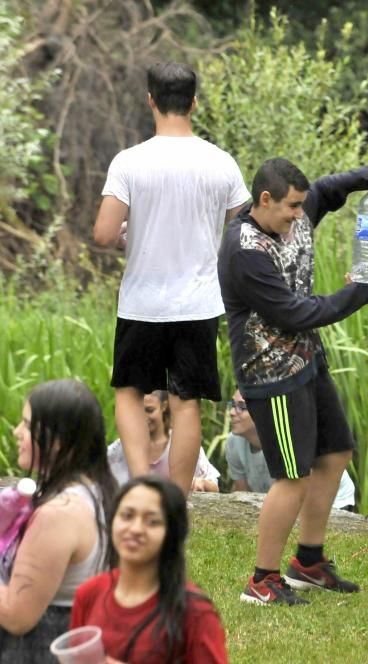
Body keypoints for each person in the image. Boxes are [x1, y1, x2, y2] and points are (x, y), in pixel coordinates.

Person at [218, 157, 368, 605]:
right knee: (292, 475)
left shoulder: (295, 212)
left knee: (335, 451)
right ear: (265, 200)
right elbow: (295, 313)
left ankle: (308, 562)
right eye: (291, 207)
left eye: (300, 206)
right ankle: (262, 581)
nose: (298, 215)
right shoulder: (245, 250)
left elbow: (325, 189)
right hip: (271, 374)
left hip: (307, 360)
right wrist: (357, 294)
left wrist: (365, 177)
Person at [93, 61, 250, 497]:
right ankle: (177, 500)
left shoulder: (129, 162)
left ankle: (143, 487)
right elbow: (243, 231)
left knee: (129, 392)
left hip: (142, 301)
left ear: (151, 101)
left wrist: (131, 233)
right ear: (194, 102)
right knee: (185, 403)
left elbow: (105, 233)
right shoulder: (222, 163)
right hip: (199, 303)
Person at [0, 379, 116, 661]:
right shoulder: (96, 489)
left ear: (58, 441)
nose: (16, 432)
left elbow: (17, 616)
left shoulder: (59, 515)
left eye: (27, 426)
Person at [71, 475, 227, 663]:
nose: (136, 529)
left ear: (172, 533)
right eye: (127, 516)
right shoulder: (89, 594)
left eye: (152, 521)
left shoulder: (194, 612)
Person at [226, 390, 355, 510]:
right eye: (232, 404)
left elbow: (305, 492)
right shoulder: (233, 442)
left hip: (332, 501)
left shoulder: (289, 440)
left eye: (242, 407)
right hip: (279, 505)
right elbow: (242, 495)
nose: (232, 412)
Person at [106, 391, 220, 492]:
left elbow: (214, 485)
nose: (143, 417)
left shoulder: (182, 444)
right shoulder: (117, 451)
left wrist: (202, 483)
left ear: (164, 406)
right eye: (137, 411)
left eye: (149, 410)